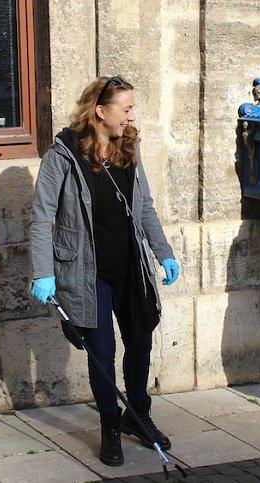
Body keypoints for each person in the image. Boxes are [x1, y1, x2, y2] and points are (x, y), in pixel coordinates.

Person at [29, 75, 180, 467]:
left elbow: (143, 204)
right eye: (126, 108)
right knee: (102, 353)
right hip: (85, 271)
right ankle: (110, 425)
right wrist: (43, 272)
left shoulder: (130, 145)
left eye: (132, 108)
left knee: (141, 343)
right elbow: (42, 217)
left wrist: (162, 252)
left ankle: (138, 414)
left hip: (130, 265)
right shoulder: (64, 153)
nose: (132, 116)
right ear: (101, 111)